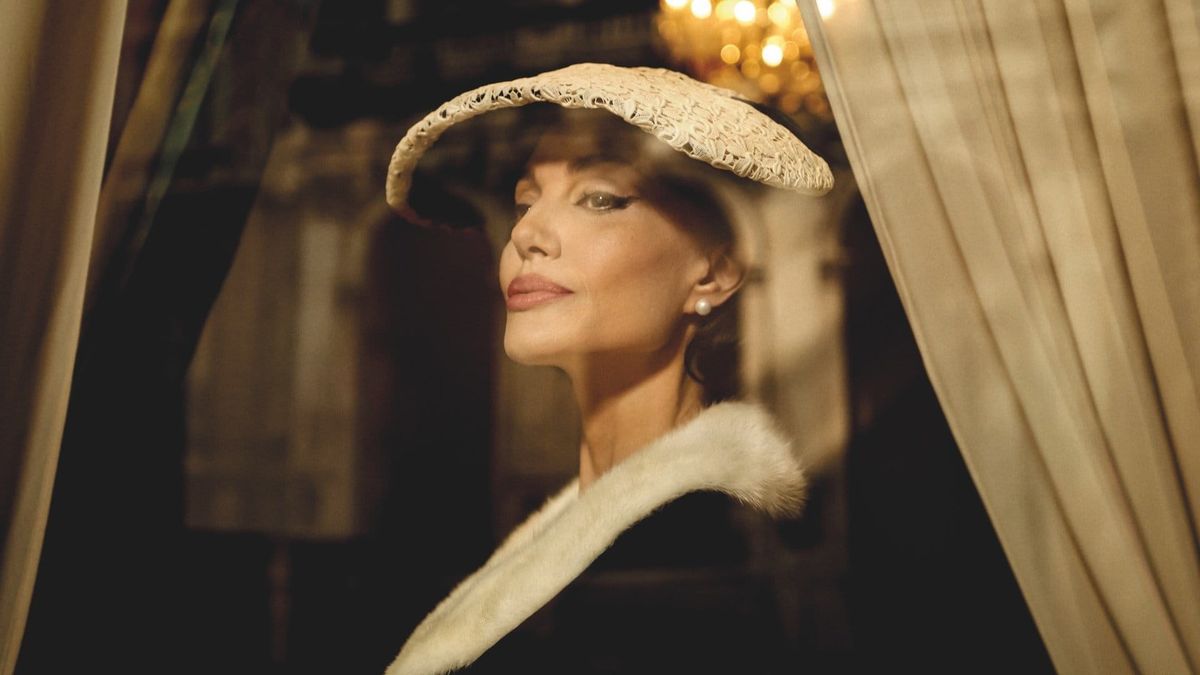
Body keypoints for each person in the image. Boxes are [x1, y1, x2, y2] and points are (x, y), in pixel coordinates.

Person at [382, 63, 833, 675]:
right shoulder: (603, 534)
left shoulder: (680, 562)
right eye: (523, 203)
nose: (529, 236)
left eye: (599, 198)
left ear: (714, 273)